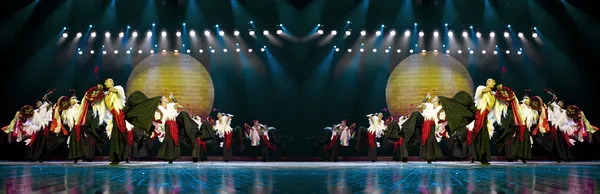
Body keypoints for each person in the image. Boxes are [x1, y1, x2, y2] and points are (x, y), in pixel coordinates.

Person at [467, 78, 503, 165]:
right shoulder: (481, 88)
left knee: (485, 137)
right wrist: (496, 89)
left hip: (485, 116)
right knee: (479, 135)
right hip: (480, 115)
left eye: (493, 81)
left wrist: (500, 92)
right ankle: (478, 156)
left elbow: (496, 103)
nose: (492, 82)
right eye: (490, 81)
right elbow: (484, 90)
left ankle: (484, 158)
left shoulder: (493, 94)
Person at [416, 94, 445, 164]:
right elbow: (423, 105)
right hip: (426, 125)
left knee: (431, 141)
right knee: (427, 141)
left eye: (435, 98)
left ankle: (432, 157)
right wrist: (426, 98)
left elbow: (441, 119)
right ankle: (428, 158)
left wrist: (439, 129)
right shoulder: (429, 106)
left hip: (433, 126)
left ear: (438, 100)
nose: (433, 98)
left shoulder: (440, 108)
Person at [154, 94, 182, 164]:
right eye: (164, 98)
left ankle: (171, 158)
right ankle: (168, 157)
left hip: (173, 125)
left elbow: (176, 104)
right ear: (161, 100)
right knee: (168, 141)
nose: (166, 98)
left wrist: (173, 97)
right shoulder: (159, 108)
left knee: (172, 141)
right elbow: (157, 118)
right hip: (166, 126)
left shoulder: (170, 106)